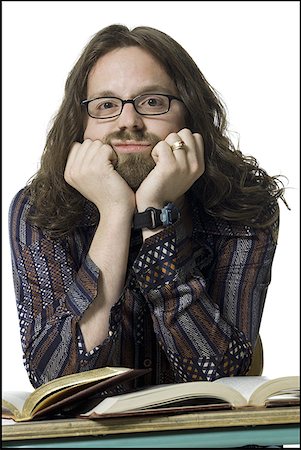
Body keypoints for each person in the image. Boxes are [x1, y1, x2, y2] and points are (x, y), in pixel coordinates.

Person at [9, 24, 286, 390]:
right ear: (81, 125)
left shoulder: (244, 207)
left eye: (152, 102)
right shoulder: (38, 210)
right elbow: (54, 380)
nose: (129, 122)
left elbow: (220, 380)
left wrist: (156, 214)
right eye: (106, 105)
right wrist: (115, 214)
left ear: (190, 115)